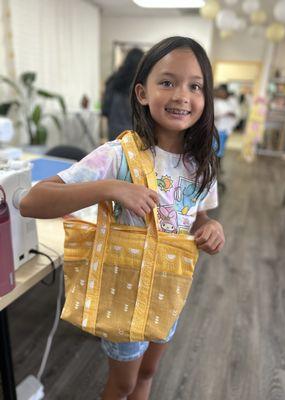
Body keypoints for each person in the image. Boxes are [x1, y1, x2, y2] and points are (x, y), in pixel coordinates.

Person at [20, 36, 225, 400]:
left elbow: (198, 214)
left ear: (205, 99)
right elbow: (33, 200)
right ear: (142, 93)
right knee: (124, 383)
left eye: (195, 86)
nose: (182, 95)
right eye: (167, 82)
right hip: (124, 296)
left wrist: (210, 226)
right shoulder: (118, 155)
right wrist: (110, 188)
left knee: (148, 373)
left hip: (170, 291)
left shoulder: (201, 161)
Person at [102, 47, 144, 140]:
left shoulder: (113, 79)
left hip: (115, 130)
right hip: (136, 131)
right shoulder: (142, 83)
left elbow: (105, 109)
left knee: (115, 154)